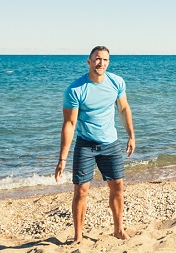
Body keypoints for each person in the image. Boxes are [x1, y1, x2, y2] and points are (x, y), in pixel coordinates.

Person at [54, 46, 136, 242]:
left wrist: (131, 135)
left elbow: (123, 109)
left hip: (111, 143)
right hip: (85, 145)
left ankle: (118, 229)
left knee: (117, 186)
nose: (101, 63)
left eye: (105, 60)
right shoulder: (75, 89)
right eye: (97, 59)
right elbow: (70, 123)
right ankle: (78, 236)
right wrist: (62, 158)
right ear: (89, 61)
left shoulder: (116, 82)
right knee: (81, 190)